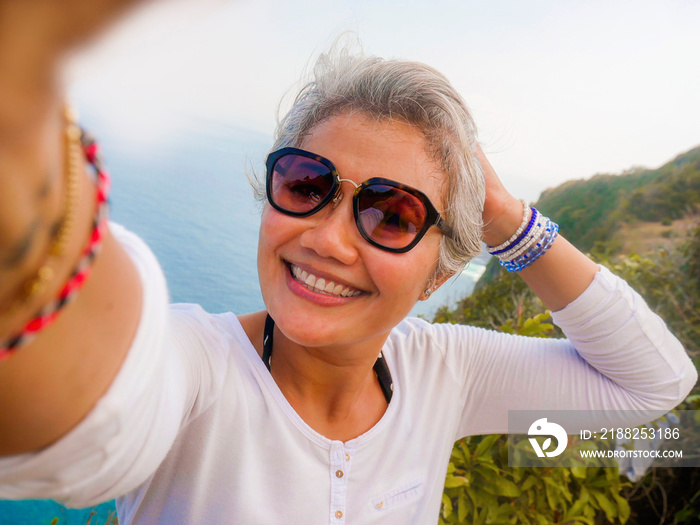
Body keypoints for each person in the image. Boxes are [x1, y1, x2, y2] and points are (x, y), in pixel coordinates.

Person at [0, 1, 696, 524]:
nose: (329, 239)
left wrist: (508, 221)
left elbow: (653, 385)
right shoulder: (198, 370)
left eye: (394, 214)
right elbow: (86, 420)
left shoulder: (442, 374)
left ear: (440, 275)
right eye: (307, 184)